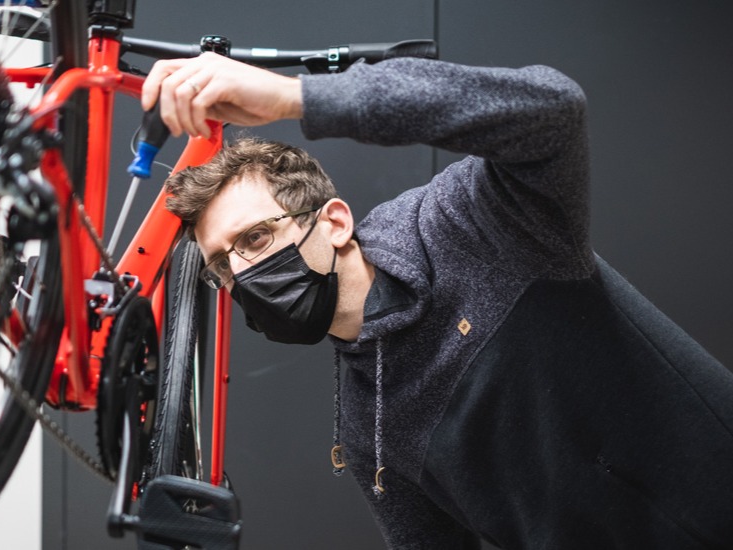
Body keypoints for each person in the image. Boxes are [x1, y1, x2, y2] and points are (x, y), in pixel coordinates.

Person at [141, 52, 733, 549]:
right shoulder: (368, 429)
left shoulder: (475, 223)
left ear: (335, 222)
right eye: (223, 264)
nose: (243, 272)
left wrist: (297, 98)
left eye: (255, 238)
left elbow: (553, 110)